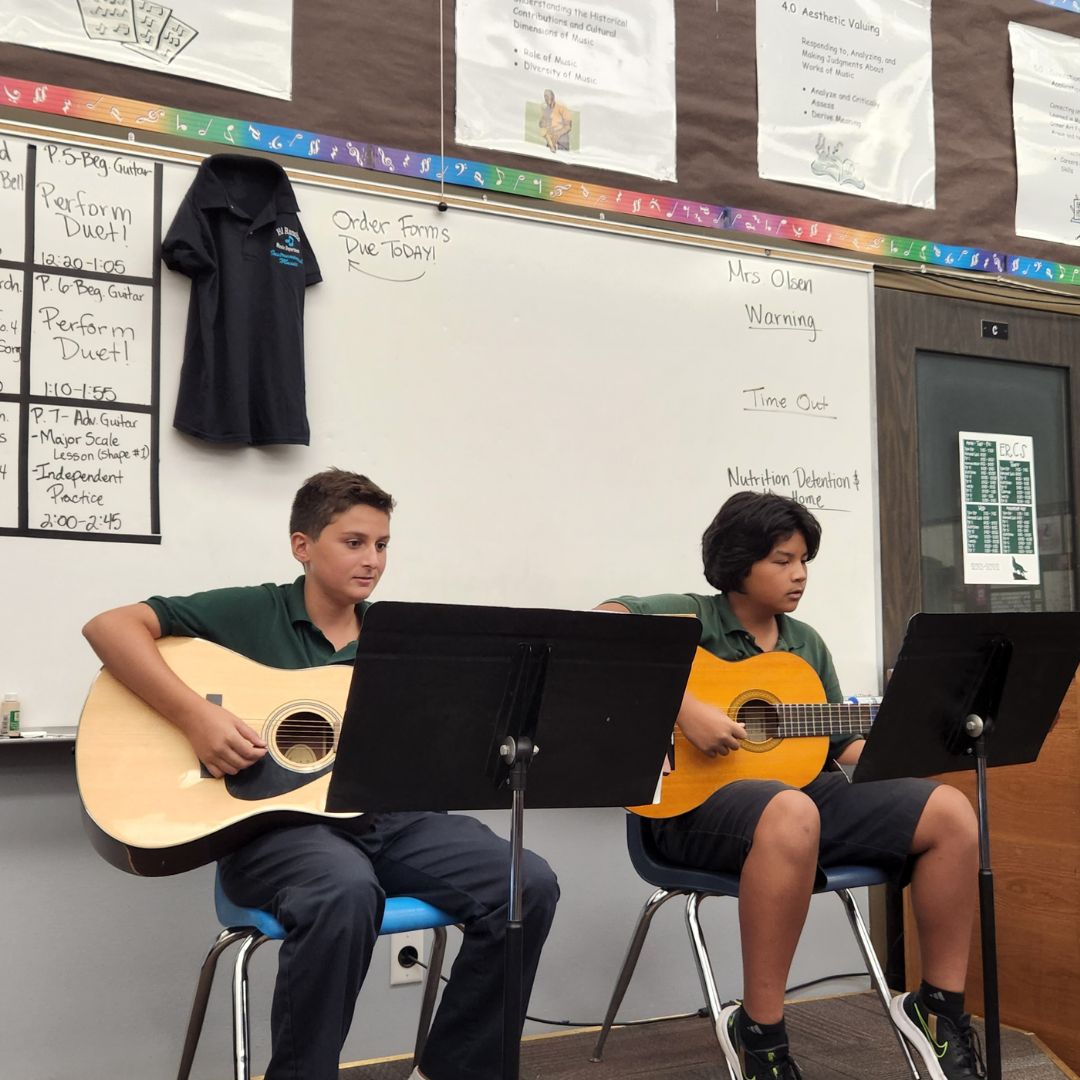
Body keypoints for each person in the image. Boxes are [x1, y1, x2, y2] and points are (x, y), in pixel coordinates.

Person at [83, 468, 560, 1080]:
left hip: (385, 818)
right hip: (275, 833)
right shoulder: (254, 612)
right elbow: (109, 627)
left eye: (383, 545)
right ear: (302, 545)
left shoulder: (398, 638)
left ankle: (453, 1070)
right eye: (354, 542)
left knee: (527, 882)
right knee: (343, 890)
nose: (373, 561)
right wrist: (197, 717)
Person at [597, 491, 983, 1080]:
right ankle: (762, 1031)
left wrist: (917, 732)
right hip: (687, 812)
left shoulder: (806, 645)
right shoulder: (692, 615)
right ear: (738, 560)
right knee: (791, 810)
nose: (799, 574)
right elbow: (598, 625)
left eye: (804, 560)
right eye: (782, 560)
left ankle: (938, 1009)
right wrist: (686, 708)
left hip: (796, 801)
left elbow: (833, 746)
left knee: (950, 812)